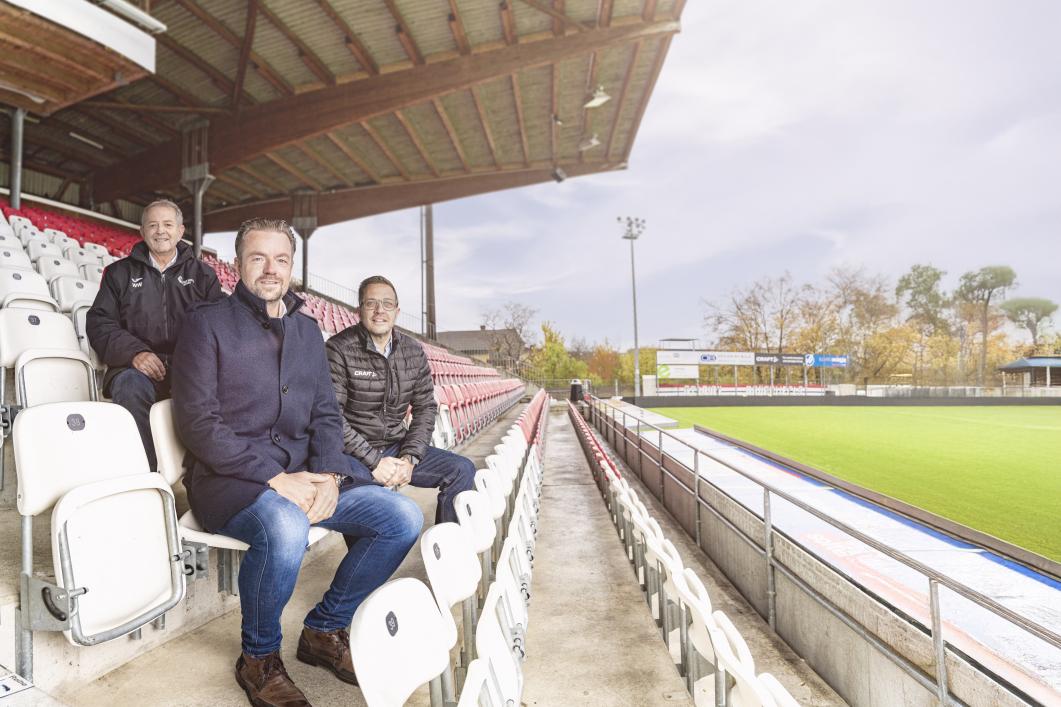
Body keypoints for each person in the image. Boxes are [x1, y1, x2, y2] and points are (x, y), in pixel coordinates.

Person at [171, 220, 422, 707]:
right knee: (286, 526)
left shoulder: (307, 330)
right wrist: (274, 478)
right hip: (232, 479)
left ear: (291, 267)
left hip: (306, 473)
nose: (271, 269)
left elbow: (326, 413)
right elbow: (198, 423)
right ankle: (258, 659)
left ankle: (324, 630)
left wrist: (328, 475)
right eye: (258, 258)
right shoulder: (206, 323)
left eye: (281, 259)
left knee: (401, 517)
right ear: (237, 264)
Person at [326, 275, 475, 524]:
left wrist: (409, 458)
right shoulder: (338, 349)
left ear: (397, 311)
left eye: (387, 304)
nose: (379, 310)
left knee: (462, 469)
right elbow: (332, 417)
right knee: (375, 505)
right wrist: (374, 462)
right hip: (353, 454)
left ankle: (448, 542)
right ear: (358, 310)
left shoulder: (413, 351)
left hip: (396, 445)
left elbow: (425, 408)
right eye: (371, 303)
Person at [86, 199, 222, 470]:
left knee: (224, 386)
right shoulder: (118, 273)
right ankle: (144, 475)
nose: (160, 231)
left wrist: (192, 362)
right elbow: (99, 322)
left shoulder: (203, 275)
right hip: (136, 367)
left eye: (168, 224)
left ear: (180, 231)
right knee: (129, 386)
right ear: (142, 231)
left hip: (190, 367)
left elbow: (219, 326)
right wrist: (135, 353)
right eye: (153, 225)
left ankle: (203, 475)